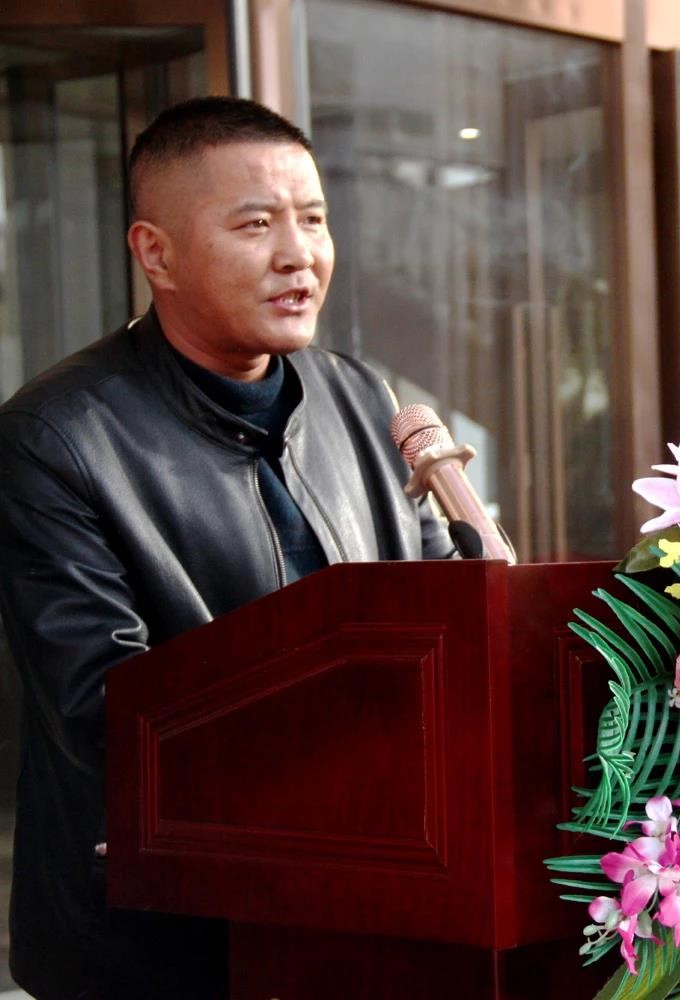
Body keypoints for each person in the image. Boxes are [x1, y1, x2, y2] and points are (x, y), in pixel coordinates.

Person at [0, 96, 453, 999]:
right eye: (255, 225)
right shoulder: (56, 437)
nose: (299, 255)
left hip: (365, 906)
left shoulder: (364, 398)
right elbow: (106, 710)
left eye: (313, 220)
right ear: (155, 253)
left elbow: (450, 609)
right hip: (155, 940)